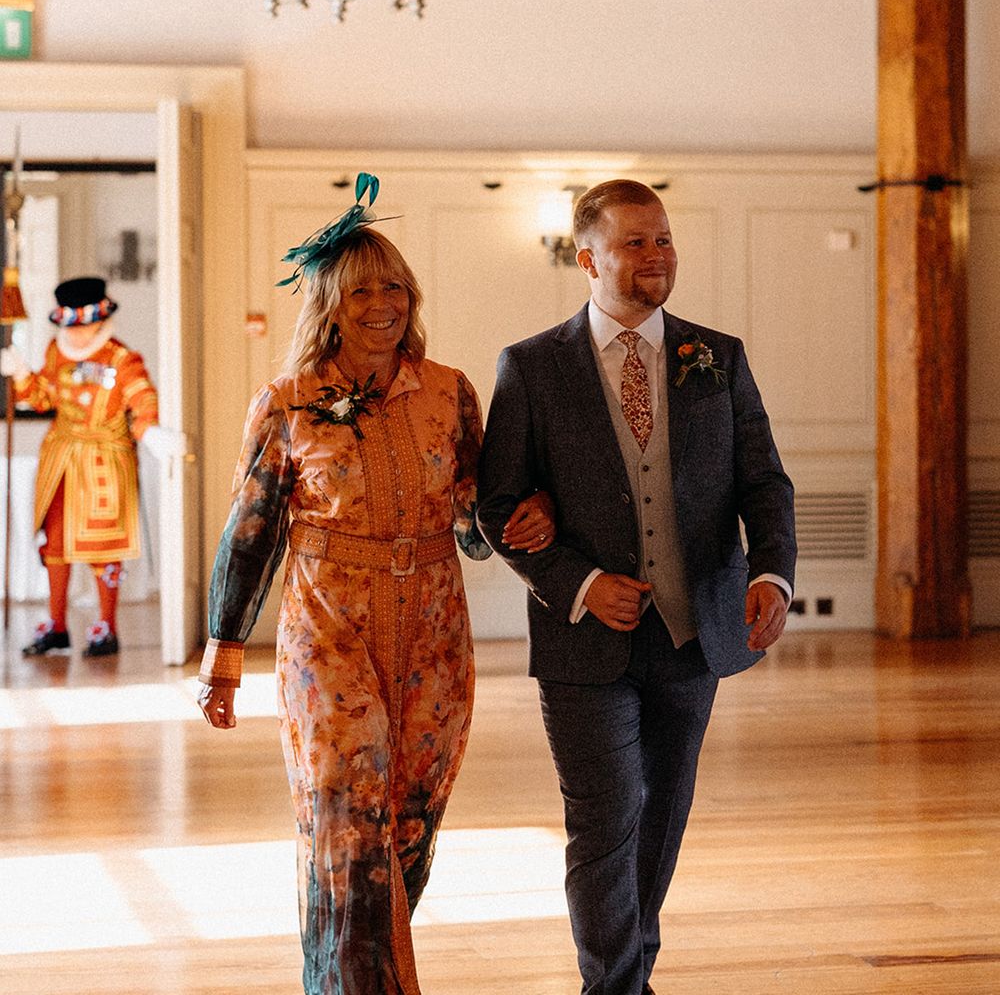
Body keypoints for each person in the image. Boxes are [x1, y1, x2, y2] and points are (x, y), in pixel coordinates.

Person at [195, 173, 554, 995]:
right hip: (328, 633)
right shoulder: (287, 404)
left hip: (433, 632)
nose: (383, 303)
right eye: (362, 290)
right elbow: (250, 535)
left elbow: (474, 524)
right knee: (346, 822)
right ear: (328, 303)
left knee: (411, 824)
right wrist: (222, 654)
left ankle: (359, 975)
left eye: (395, 286)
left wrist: (525, 517)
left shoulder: (449, 393)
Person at [476, 179, 797, 995]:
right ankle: (614, 987)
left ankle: (629, 972)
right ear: (587, 257)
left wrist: (772, 573)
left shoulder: (715, 357)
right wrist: (579, 583)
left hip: (694, 635)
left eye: (664, 239)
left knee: (661, 818)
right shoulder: (531, 366)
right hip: (584, 643)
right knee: (603, 820)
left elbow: (764, 480)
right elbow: (498, 504)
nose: (657, 256)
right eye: (635, 242)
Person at [1, 276, 181, 657]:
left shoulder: (122, 358)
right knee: (54, 545)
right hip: (61, 462)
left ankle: (106, 626)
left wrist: (150, 433)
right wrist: (21, 375)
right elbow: (42, 398)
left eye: (84, 327)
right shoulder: (55, 352)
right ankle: (57, 624)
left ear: (100, 320)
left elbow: (142, 399)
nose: (78, 336)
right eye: (71, 327)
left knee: (103, 545)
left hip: (104, 463)